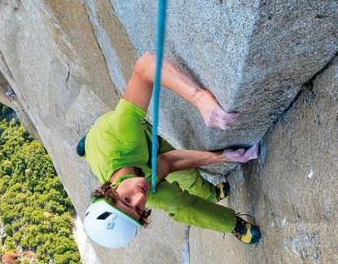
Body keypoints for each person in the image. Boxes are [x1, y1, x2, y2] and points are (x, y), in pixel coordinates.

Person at [80, 52, 261, 248]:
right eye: (140, 210)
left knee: (186, 174)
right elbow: (170, 162)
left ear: (108, 191)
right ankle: (226, 216)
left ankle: (87, 143)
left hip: (118, 140)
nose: (141, 196)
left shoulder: (120, 137)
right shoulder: (141, 189)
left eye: (126, 200)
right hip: (135, 158)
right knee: (178, 204)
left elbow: (146, 66)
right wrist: (221, 157)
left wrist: (199, 97)